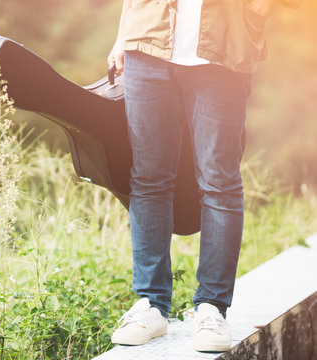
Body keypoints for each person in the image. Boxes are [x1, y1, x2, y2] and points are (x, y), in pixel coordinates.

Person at [107, 0, 302, 352]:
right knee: (148, 178)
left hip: (223, 52)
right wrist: (123, 35)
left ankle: (212, 307)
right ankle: (151, 304)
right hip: (148, 44)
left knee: (220, 183)